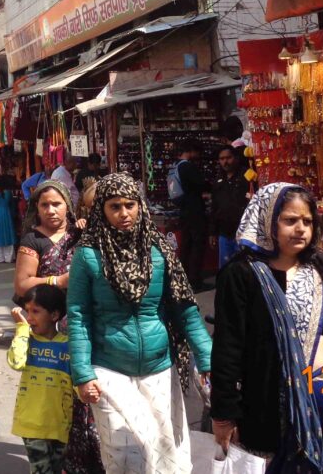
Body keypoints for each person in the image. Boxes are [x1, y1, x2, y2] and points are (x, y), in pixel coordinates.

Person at [211, 183, 323, 473]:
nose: (301, 229)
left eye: (307, 221)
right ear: (268, 220)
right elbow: (228, 348)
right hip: (268, 412)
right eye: (290, 220)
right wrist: (224, 415)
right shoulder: (242, 275)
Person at [68, 173, 213, 474]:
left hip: (159, 366)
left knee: (165, 449)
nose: (124, 213)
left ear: (140, 206)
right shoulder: (88, 253)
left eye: (130, 205)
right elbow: (79, 314)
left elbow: (184, 308)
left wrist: (207, 357)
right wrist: (82, 372)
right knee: (127, 452)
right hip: (107, 366)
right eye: (114, 206)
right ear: (101, 211)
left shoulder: (160, 251)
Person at [13, 179, 104, 474]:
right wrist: (57, 281)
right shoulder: (32, 241)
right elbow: (22, 285)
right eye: (44, 205)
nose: (51, 210)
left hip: (84, 322)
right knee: (60, 395)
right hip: (52, 325)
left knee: (87, 395)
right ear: (36, 208)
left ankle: (88, 459)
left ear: (68, 204)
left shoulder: (80, 233)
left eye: (57, 204)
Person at [9, 285, 72, 474]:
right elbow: (16, 362)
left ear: (54, 315)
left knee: (57, 467)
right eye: (27, 311)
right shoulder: (27, 339)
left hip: (60, 424)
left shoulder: (69, 345)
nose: (29, 318)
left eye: (35, 311)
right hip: (31, 423)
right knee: (41, 470)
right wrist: (21, 329)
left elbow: (77, 383)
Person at [174, 141, 211, 291]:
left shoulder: (176, 166)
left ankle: (184, 280)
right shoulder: (187, 166)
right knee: (197, 245)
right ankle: (195, 281)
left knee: (186, 245)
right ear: (190, 151)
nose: (199, 156)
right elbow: (201, 184)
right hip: (194, 210)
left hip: (185, 210)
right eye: (197, 153)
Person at [210, 146, 250, 269]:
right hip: (224, 232)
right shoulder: (218, 180)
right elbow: (215, 207)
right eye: (222, 159)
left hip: (243, 232)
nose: (225, 162)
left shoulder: (247, 177)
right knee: (226, 268)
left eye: (228, 158)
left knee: (244, 268)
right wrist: (212, 232)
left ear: (236, 158)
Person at [0, 174, 18, 263]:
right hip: (7, 214)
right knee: (8, 234)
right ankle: (9, 257)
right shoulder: (8, 193)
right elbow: (12, 206)